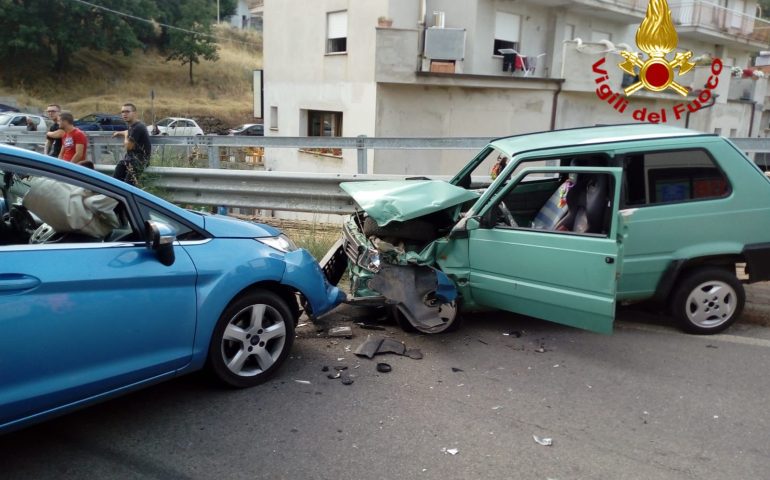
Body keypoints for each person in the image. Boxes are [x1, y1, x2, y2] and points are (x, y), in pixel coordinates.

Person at [112, 103, 151, 186]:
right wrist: (120, 133)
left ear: (135, 113)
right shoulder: (132, 126)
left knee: (127, 187)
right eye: (122, 112)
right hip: (129, 159)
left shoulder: (138, 127)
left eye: (127, 111)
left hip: (139, 161)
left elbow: (128, 146)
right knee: (114, 183)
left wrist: (125, 135)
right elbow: (127, 132)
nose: (124, 114)